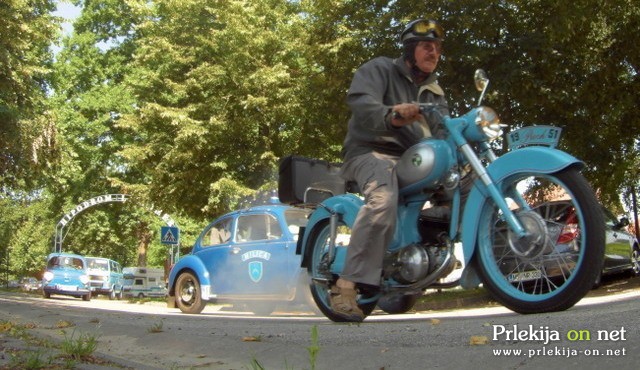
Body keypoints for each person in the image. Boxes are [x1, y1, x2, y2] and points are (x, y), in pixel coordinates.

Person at [331, 19, 449, 321]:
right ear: (410, 49)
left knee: (460, 183)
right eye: (426, 46)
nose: (433, 52)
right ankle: (346, 286)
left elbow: (444, 131)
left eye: (437, 48)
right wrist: (391, 115)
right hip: (369, 152)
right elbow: (362, 104)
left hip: (410, 157)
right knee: (382, 199)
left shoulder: (433, 92)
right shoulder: (380, 69)